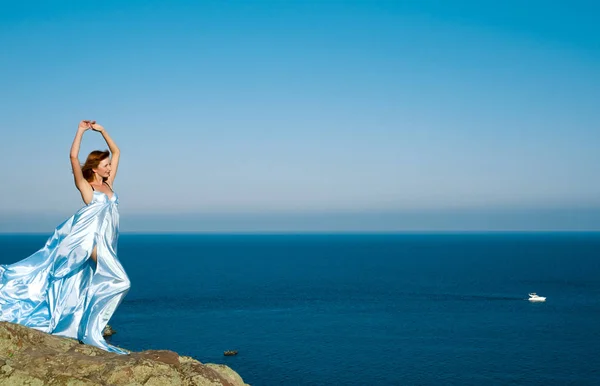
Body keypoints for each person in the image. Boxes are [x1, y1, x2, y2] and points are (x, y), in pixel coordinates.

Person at [0, 120, 131, 354]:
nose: (110, 167)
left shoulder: (109, 185)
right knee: (120, 281)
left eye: (110, 165)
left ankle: (85, 327)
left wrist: (102, 131)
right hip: (88, 242)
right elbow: (73, 158)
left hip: (107, 243)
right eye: (106, 165)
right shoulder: (86, 187)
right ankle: (92, 333)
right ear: (95, 168)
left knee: (91, 283)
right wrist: (80, 131)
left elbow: (117, 151)